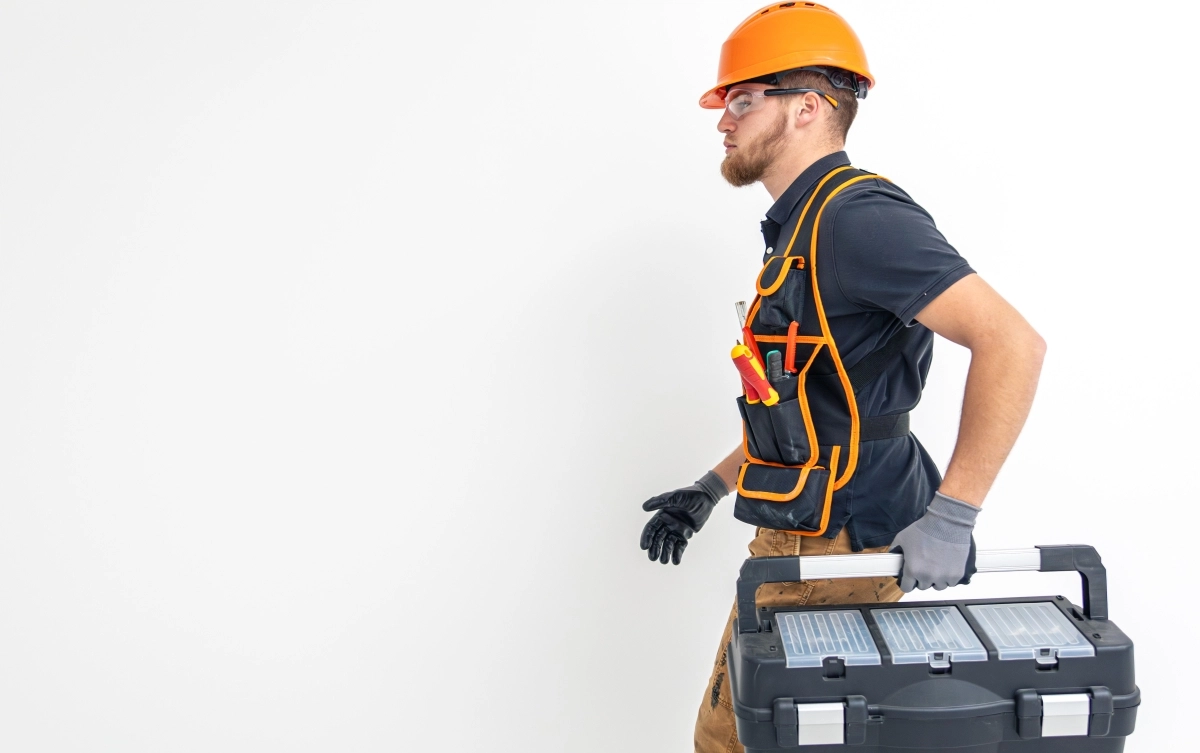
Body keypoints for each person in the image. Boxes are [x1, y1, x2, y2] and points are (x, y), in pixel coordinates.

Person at [634, 4, 1047, 751]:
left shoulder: (858, 219)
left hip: (836, 546)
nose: (723, 120)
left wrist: (955, 514)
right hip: (816, 531)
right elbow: (811, 407)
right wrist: (710, 488)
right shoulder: (803, 227)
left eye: (741, 99)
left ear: (808, 106)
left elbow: (1012, 343)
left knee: (734, 741)